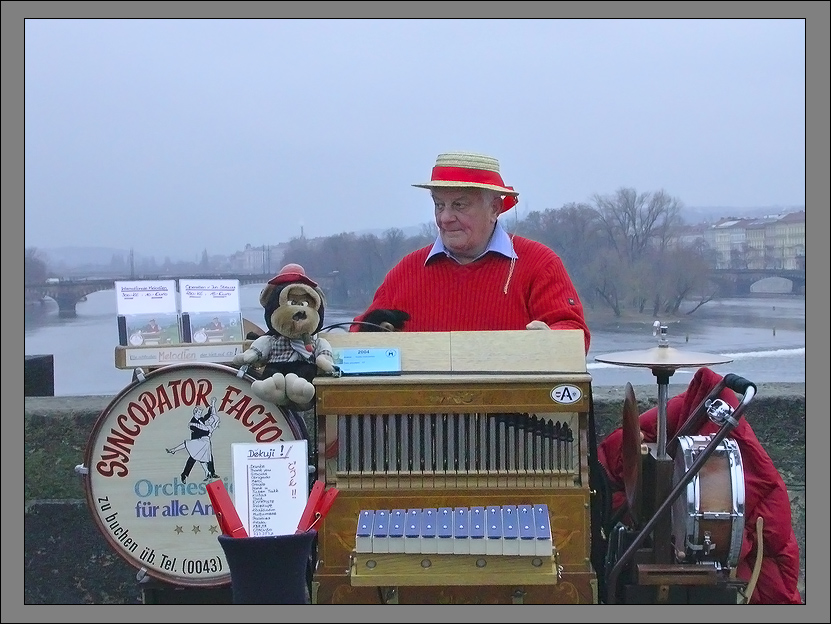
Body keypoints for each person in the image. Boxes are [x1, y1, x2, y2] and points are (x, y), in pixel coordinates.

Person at [351, 150, 590, 353]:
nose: (445, 218)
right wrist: (370, 333)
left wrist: (552, 340)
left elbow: (575, 334)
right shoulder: (407, 271)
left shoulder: (539, 264)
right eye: (439, 205)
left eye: (459, 205)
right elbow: (356, 339)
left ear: (494, 208)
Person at [167, 396, 220, 482]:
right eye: (199, 412)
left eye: (201, 412)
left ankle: (210, 472)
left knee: (208, 457)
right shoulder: (193, 422)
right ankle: (185, 474)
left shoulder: (200, 420)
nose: (200, 413)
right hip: (197, 441)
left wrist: (212, 405)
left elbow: (207, 416)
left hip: (204, 441)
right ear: (195, 412)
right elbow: (200, 429)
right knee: (193, 459)